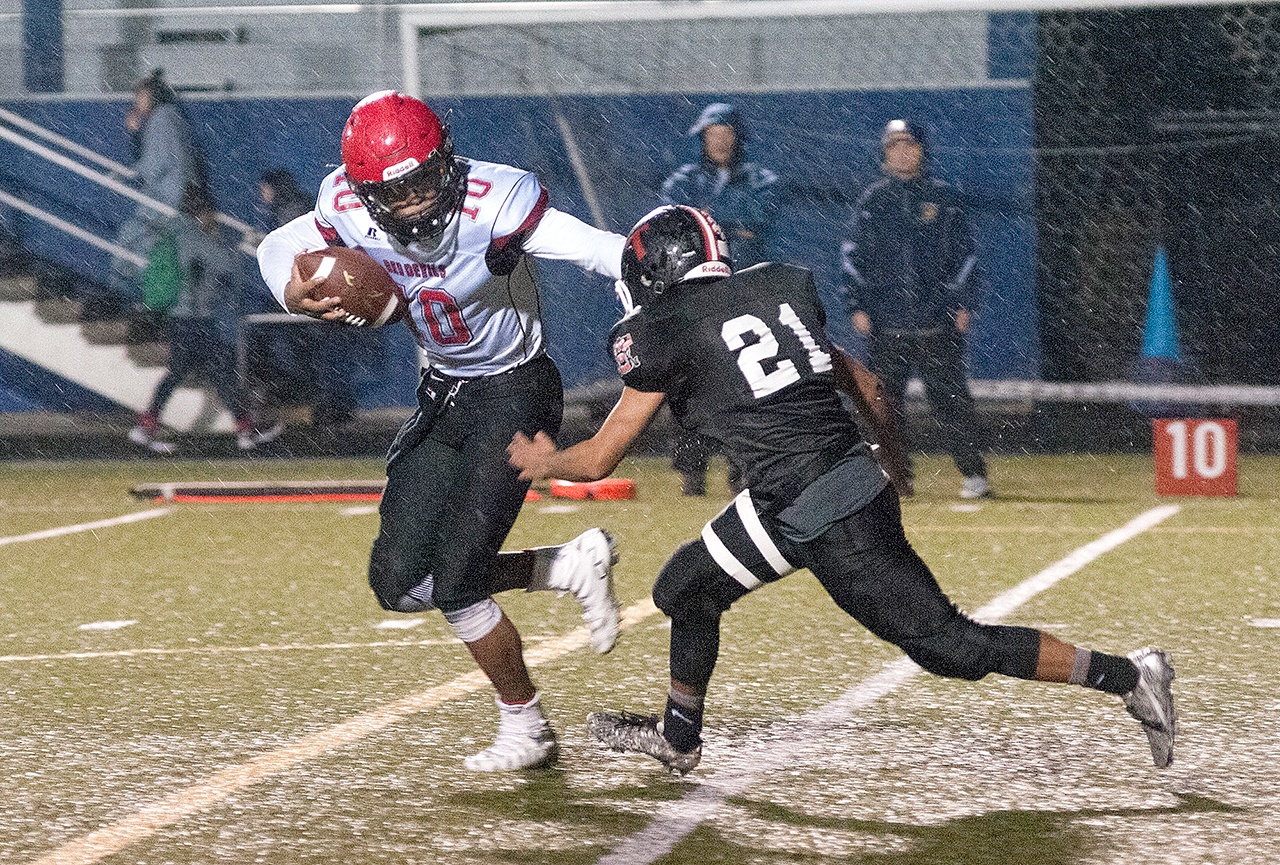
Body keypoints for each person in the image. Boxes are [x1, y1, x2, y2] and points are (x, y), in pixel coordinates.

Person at [507, 204, 1177, 776]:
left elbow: (597, 459)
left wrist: (544, 458)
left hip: (827, 513)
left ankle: (1130, 674)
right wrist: (892, 460)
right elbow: (872, 388)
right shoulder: (776, 287)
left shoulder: (663, 328)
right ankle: (679, 739)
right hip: (807, 490)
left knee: (951, 646)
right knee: (686, 586)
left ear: (655, 271)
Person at [256, 90, 629, 772]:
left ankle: (527, 727)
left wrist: (664, 280)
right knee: (400, 581)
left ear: (448, 162)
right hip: (445, 393)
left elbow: (598, 250)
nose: (419, 203)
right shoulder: (341, 204)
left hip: (516, 391)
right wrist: (289, 285)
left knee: (457, 580)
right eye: (395, 193)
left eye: (427, 180)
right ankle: (565, 564)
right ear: (364, 197)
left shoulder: (496, 200)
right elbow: (280, 244)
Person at [840, 119, 991, 499]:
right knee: (884, 406)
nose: (901, 152)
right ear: (884, 153)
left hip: (936, 322)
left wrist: (963, 302)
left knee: (952, 400)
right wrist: (857, 304)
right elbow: (853, 257)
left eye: (908, 143)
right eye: (893, 145)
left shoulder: (944, 199)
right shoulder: (872, 202)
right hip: (887, 325)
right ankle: (895, 477)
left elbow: (966, 255)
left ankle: (974, 474)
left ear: (922, 150)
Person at [659, 102, 779, 497]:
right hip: (693, 297)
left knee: (744, 383)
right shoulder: (682, 181)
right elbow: (674, 222)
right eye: (713, 134)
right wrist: (731, 224)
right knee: (690, 385)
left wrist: (710, 218)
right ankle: (692, 470)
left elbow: (758, 217)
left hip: (741, 294)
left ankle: (742, 467)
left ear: (737, 137)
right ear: (703, 139)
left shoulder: (761, 179)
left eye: (726, 133)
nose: (720, 141)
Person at [128, 184, 283, 454]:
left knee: (208, 373)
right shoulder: (193, 235)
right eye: (212, 213)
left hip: (185, 318)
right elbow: (224, 263)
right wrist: (241, 248)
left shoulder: (176, 232)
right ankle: (244, 431)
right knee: (210, 372)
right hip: (193, 319)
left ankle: (242, 430)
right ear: (203, 212)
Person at [255, 169, 358, 433]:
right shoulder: (295, 206)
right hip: (327, 290)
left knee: (326, 359)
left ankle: (329, 411)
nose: (263, 195)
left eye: (266, 188)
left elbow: (305, 255)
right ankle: (328, 409)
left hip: (322, 292)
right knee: (324, 358)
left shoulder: (291, 210)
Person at [105, 69, 199, 318]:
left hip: (164, 202)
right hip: (173, 202)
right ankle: (153, 308)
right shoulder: (172, 118)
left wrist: (127, 174)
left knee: (130, 240)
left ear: (151, 97)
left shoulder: (162, 120)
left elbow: (154, 165)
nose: (137, 103)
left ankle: (119, 299)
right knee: (158, 253)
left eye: (140, 97)